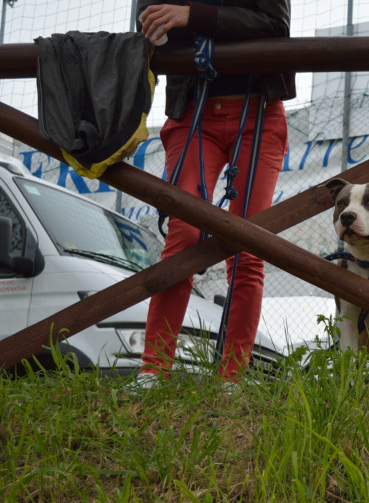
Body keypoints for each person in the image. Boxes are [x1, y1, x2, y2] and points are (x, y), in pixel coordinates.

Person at [135, 0, 295, 385]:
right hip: (192, 111)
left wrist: (192, 16)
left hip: (259, 111)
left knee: (248, 247)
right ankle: (153, 370)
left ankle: (230, 379)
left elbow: (275, 22)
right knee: (183, 236)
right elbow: (150, 21)